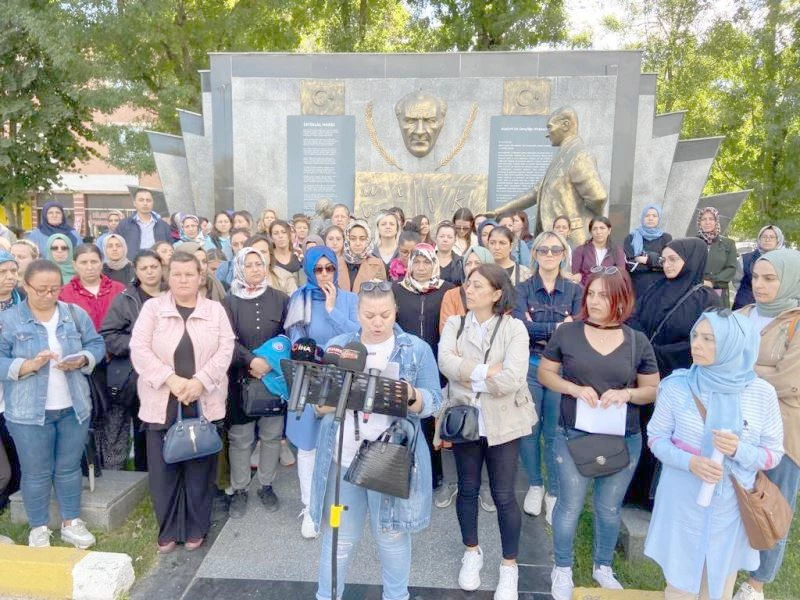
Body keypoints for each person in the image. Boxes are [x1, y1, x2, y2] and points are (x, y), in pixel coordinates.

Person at [308, 281, 442, 600]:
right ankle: (327, 596)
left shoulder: (416, 349)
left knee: (392, 538)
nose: (378, 322)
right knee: (338, 536)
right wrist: (346, 393)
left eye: (384, 314)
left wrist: (410, 395)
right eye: (369, 315)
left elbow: (435, 400)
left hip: (390, 462)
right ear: (357, 313)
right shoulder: (340, 346)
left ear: (395, 310)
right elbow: (319, 406)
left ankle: (397, 596)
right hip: (343, 458)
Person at [538, 268, 660, 599]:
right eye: (591, 293)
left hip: (623, 438)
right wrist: (572, 389)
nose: (593, 301)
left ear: (621, 298)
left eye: (603, 295)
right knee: (570, 504)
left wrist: (627, 394)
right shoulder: (568, 333)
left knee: (608, 507)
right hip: (573, 433)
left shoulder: (637, 340)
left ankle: (602, 566)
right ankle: (561, 568)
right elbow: (546, 373)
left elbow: (651, 388)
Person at [645, 311, 783, 600]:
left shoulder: (761, 393)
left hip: (731, 508)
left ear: (735, 344)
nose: (696, 344)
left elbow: (773, 454)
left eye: (709, 339)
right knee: (679, 586)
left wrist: (739, 450)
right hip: (682, 501)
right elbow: (656, 438)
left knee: (718, 586)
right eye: (696, 336)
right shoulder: (677, 386)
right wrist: (690, 462)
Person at [437, 263, 536, 599]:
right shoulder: (455, 322)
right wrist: (483, 371)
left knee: (504, 494)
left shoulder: (515, 329)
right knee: (466, 488)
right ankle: (472, 552)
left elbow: (512, 378)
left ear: (496, 294)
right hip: (465, 419)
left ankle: (509, 567)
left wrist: (468, 375)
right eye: (468, 283)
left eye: (478, 286)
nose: (469, 289)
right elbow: (444, 364)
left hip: (504, 422)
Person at [130, 251, 235, 553]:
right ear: (168, 276)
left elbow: (226, 349)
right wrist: (171, 380)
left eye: (189, 274)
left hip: (202, 400)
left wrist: (199, 382)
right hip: (162, 400)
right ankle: (168, 529)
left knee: (199, 469)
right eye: (176, 274)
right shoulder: (153, 309)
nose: (182, 280)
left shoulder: (215, 311)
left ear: (200, 277)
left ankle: (195, 527)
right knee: (164, 470)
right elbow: (139, 349)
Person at [0, 259, 105, 548]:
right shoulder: (9, 321)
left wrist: (83, 359)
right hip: (27, 412)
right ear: (26, 286)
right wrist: (28, 365)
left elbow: (97, 344)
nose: (48, 295)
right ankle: (39, 527)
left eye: (55, 289)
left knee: (69, 467)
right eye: (41, 290)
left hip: (73, 406)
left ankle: (71, 522)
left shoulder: (74, 314)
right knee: (36, 471)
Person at [627, 238, 721, 509]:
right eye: (664, 259)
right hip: (646, 373)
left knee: (668, 434)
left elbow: (704, 340)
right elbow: (634, 319)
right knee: (643, 430)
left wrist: (661, 353)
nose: (666, 265)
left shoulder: (706, 299)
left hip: (678, 377)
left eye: (673, 260)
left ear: (690, 261)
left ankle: (653, 496)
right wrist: (645, 349)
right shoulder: (655, 287)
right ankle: (633, 489)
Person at [732, 249, 800, 600]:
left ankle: (756, 582)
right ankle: (727, 563)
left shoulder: (797, 322)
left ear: (788, 279)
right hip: (734, 425)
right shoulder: (743, 314)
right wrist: (758, 371)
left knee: (772, 505)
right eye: (756, 277)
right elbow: (716, 358)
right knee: (732, 499)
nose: (759, 285)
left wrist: (740, 370)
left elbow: (789, 380)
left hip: (783, 434)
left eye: (769, 278)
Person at [284, 246, 359, 537]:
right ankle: (309, 506)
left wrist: (332, 310)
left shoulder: (350, 299)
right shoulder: (299, 297)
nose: (325, 274)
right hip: (310, 377)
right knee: (308, 446)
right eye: (319, 269)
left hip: (342, 378)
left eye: (330, 268)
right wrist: (314, 354)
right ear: (310, 271)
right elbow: (296, 338)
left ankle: (334, 504)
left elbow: (357, 335)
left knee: (339, 445)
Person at [512, 231, 582, 524]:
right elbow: (519, 326)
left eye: (555, 249)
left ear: (564, 253)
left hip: (560, 369)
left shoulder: (575, 291)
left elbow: (575, 328)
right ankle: (536, 484)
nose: (549, 254)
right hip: (529, 366)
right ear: (535, 254)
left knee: (554, 433)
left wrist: (538, 325)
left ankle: (554, 491)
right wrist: (557, 325)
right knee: (530, 430)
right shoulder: (523, 288)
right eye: (543, 250)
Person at [222, 247, 290, 519]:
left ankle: (266, 484)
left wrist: (270, 363)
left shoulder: (280, 299)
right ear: (239, 268)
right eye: (248, 265)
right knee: (241, 438)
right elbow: (226, 340)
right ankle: (239, 489)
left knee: (271, 435)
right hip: (240, 378)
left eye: (258, 264)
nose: (254, 269)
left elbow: (287, 337)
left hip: (273, 381)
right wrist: (251, 361)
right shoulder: (229, 302)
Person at [392, 243, 455, 506]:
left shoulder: (447, 290)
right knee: (400, 420)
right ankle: (399, 474)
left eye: (426, 262)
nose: (420, 267)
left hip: (435, 365)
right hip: (403, 363)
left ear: (434, 263)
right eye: (416, 262)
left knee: (431, 421)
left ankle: (434, 476)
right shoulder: (396, 289)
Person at [99, 250, 166, 471]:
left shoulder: (173, 295)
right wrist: (140, 343)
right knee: (143, 427)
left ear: (162, 268)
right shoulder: (126, 299)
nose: (149, 272)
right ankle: (144, 473)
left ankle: (169, 468)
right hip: (137, 374)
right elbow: (109, 336)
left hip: (171, 372)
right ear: (136, 271)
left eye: (154, 267)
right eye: (144, 268)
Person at [0, 252, 24, 512]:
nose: (9, 277)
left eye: (12, 271)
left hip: (18, 387)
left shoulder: (24, 301)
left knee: (16, 448)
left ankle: (14, 501)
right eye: (2, 272)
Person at [58, 245, 125, 331]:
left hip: (116, 342)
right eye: (83, 262)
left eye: (94, 262)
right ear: (74, 265)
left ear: (101, 263)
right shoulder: (64, 294)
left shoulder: (119, 289)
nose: (89, 267)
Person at [440, 246, 495, 331]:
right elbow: (446, 332)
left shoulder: (497, 294)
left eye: (477, 263)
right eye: (468, 263)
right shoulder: (452, 295)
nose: (472, 267)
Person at [623, 204, 672, 299]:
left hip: (659, 286)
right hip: (636, 286)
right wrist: (656, 262)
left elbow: (668, 263)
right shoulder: (631, 238)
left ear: (659, 219)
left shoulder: (666, 238)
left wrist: (646, 260)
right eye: (647, 215)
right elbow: (629, 265)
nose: (650, 218)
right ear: (642, 218)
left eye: (654, 216)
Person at [732, 225, 784, 310]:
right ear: (759, 239)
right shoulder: (745, 259)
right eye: (764, 237)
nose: (767, 240)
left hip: (774, 307)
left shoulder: (784, 261)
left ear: (778, 240)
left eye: (772, 237)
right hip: (745, 305)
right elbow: (736, 280)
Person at [697, 207, 737, 308]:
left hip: (719, 290)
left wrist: (712, 281)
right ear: (699, 222)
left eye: (711, 219)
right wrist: (701, 282)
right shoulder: (693, 242)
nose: (707, 222)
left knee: (716, 320)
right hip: (696, 291)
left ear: (716, 221)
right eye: (704, 219)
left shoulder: (728, 244)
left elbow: (731, 268)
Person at [116, 189, 172, 259]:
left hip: (157, 264)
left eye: (148, 200)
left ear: (152, 203)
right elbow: (117, 246)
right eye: (141, 200)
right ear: (134, 203)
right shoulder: (124, 224)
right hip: (132, 265)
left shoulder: (163, 226)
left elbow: (170, 246)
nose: (145, 203)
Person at [570, 216, 626, 287]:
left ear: (609, 230)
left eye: (602, 228)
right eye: (595, 229)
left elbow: (621, 275)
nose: (598, 232)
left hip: (609, 291)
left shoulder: (617, 251)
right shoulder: (580, 250)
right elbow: (575, 275)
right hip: (585, 291)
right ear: (590, 232)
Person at [337, 220, 386, 293]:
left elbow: (382, 294)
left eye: (362, 239)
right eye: (353, 239)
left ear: (368, 240)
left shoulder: (377, 264)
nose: (357, 243)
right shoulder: (336, 263)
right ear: (347, 239)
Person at [435, 221, 463, 286]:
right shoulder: (428, 260)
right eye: (442, 236)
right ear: (436, 238)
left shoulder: (461, 262)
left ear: (455, 240)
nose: (445, 240)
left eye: (449, 237)